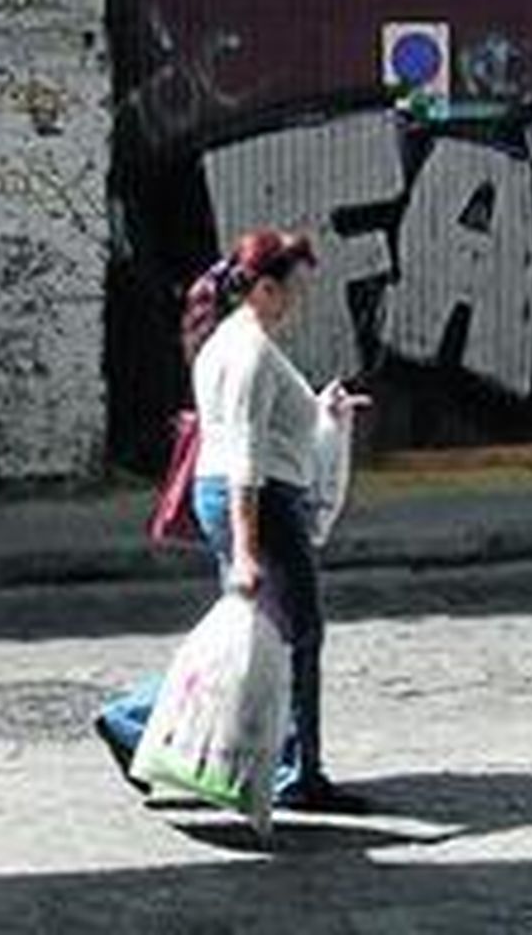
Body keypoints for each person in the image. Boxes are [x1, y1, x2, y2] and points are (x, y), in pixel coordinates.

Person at [96, 227, 371, 814]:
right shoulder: (249, 352)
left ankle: (156, 729)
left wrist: (321, 410)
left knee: (255, 638)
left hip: (233, 495)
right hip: (260, 502)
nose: (299, 299)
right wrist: (247, 551)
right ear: (265, 288)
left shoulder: (226, 342)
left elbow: (256, 430)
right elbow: (246, 451)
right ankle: (295, 772)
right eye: (293, 287)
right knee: (298, 633)